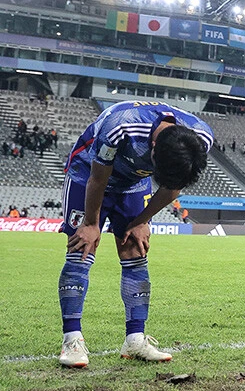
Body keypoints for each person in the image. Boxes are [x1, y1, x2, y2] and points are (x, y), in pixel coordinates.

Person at [57, 101, 213, 368]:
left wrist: (142, 221)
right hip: (88, 173)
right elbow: (98, 178)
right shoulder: (122, 125)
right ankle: (72, 339)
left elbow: (173, 187)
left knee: (135, 248)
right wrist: (92, 224)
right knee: (82, 248)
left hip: (133, 181)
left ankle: (135, 340)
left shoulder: (200, 137)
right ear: (153, 149)